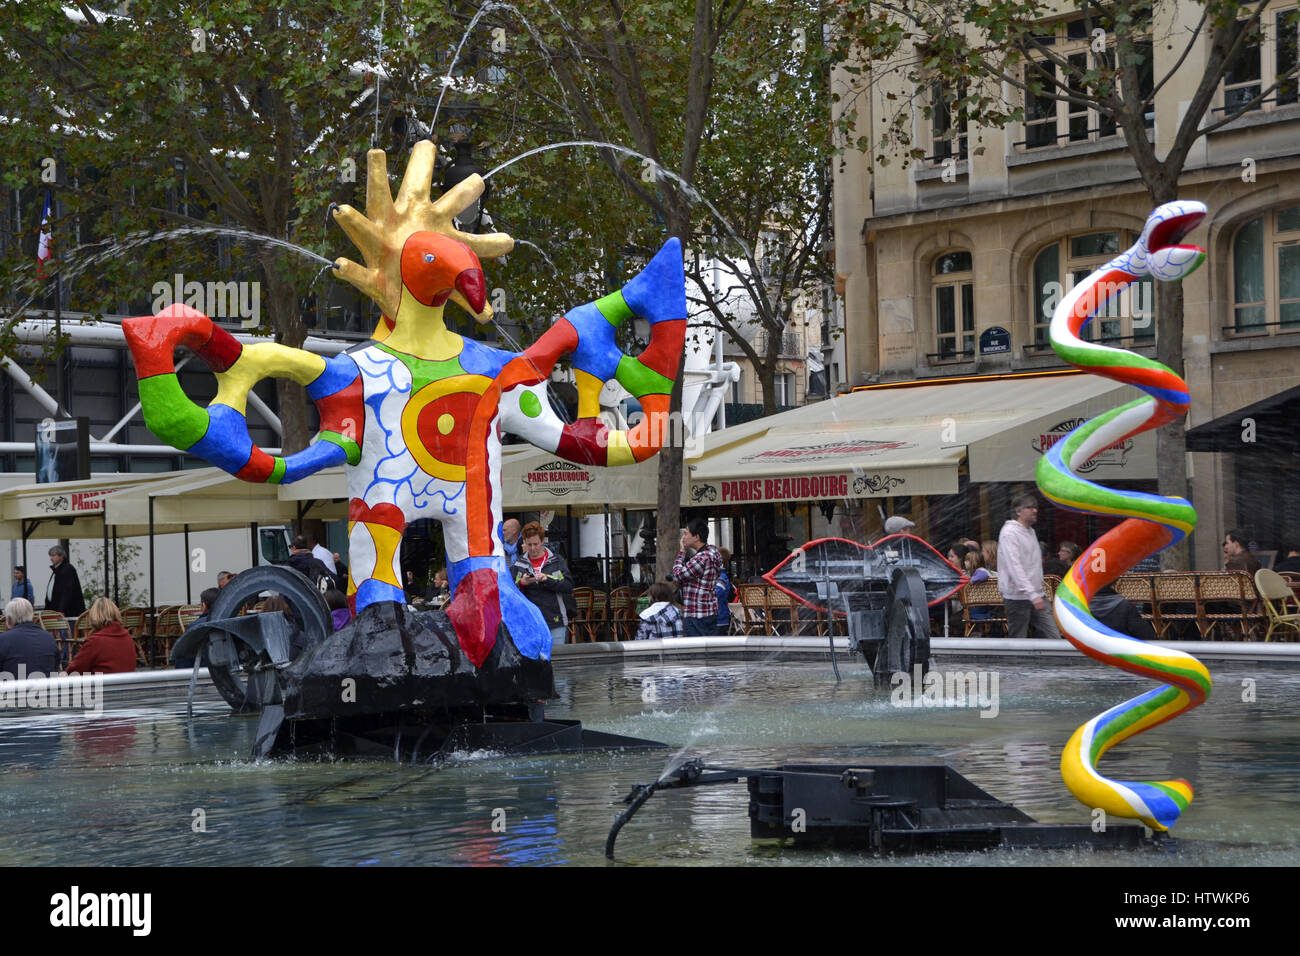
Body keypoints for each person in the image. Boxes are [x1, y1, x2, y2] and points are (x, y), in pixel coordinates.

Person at [997, 494, 1061, 640]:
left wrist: (1035, 593)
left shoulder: (1031, 531)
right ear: (1018, 512)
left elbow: (1030, 564)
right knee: (1020, 638)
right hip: (1017, 596)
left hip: (1036, 594)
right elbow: (1015, 566)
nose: (1035, 510)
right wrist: (1032, 594)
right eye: (1030, 507)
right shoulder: (1009, 533)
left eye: (1035, 507)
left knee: (1053, 637)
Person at [511, 521, 576, 645]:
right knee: (534, 657)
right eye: (529, 544)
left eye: (536, 544)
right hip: (529, 623)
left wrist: (547, 579)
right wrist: (522, 583)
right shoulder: (518, 565)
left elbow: (568, 586)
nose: (532, 548)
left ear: (542, 541)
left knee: (556, 655)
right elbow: (510, 594)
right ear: (524, 542)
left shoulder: (557, 561)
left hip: (555, 621)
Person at [672, 518, 725, 637]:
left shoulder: (702, 558)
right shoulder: (713, 552)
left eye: (686, 534)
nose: (683, 538)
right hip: (710, 611)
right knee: (709, 646)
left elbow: (677, 575)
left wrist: (682, 551)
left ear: (696, 537)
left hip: (696, 614)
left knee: (696, 647)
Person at [67, 597, 137, 675]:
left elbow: (75, 670)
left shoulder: (94, 641)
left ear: (93, 616)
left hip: (103, 682)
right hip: (127, 681)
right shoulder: (128, 637)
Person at [1, 598, 58, 677]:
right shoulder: (49, 638)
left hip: (14, 684)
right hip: (46, 684)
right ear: (32, 615)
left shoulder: (3, 640)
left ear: (9, 619)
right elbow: (55, 667)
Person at [173, 587, 220, 669]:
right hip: (230, 668)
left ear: (204, 606)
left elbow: (183, 656)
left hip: (202, 669)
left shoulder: (196, 626)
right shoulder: (230, 622)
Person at [45, 545, 86, 619]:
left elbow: (67, 591)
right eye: (50, 555)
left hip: (67, 612)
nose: (51, 558)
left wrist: (61, 609)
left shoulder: (67, 569)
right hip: (56, 610)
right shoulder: (57, 570)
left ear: (61, 556)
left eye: (53, 555)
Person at [715, 547, 734, 635]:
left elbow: (715, 594)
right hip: (719, 617)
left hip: (719, 619)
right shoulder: (720, 576)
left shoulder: (721, 578)